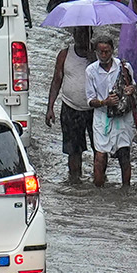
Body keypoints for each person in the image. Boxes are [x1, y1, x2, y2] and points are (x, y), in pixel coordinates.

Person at [85, 36, 136, 188]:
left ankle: (126, 190)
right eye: (100, 52)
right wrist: (105, 102)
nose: (104, 55)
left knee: (124, 155)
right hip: (102, 118)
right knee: (100, 156)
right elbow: (90, 100)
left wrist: (131, 89)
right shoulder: (91, 71)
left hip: (123, 118)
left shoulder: (124, 67)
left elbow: (133, 86)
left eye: (107, 51)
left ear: (112, 51)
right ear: (96, 52)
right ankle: (98, 191)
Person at [45, 26, 94, 181]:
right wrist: (50, 107)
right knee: (73, 151)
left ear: (90, 35)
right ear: (73, 35)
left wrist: (95, 59)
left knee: (100, 149)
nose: (81, 38)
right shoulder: (65, 55)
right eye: (78, 34)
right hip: (70, 108)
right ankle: (75, 182)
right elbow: (56, 81)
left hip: (96, 109)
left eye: (85, 34)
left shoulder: (98, 55)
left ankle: (100, 181)